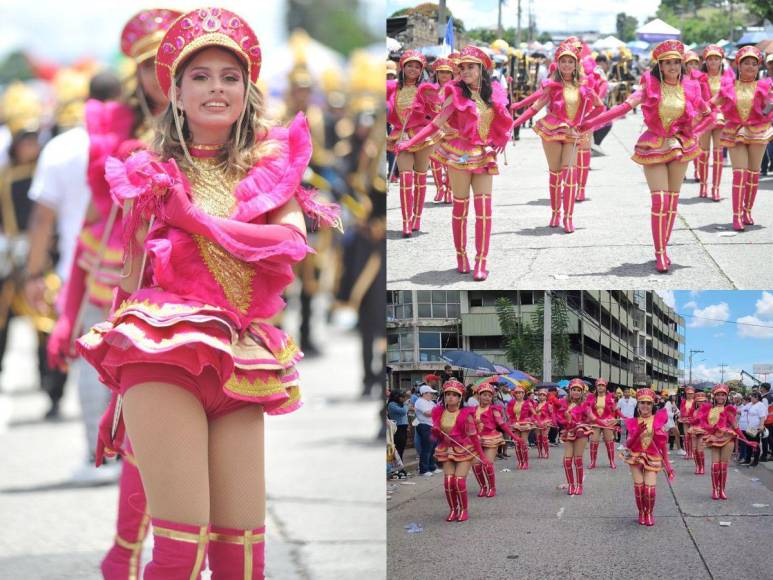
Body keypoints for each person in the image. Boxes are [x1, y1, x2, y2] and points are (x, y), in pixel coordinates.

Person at [76, 8, 340, 577]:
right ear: (174, 91)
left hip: (240, 357)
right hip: (161, 355)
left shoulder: (271, 165)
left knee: (244, 559)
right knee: (179, 553)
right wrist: (116, 392)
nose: (216, 87)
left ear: (247, 90)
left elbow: (287, 243)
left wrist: (192, 220)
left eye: (229, 75)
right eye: (200, 76)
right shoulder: (148, 168)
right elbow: (132, 275)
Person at [582, 39, 715, 272]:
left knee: (672, 201)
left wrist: (693, 132)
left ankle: (665, 246)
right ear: (660, 66)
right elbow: (623, 107)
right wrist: (590, 123)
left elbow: (708, 114)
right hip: (653, 144)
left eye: (676, 62)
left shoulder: (691, 87)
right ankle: (660, 252)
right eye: (667, 63)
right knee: (659, 199)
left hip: (680, 146)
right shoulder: (649, 87)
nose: (673, 67)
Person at [395, 45, 513, 281]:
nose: (466, 71)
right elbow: (436, 123)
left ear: (481, 69)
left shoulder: (493, 94)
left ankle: (481, 261)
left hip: (483, 155)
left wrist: (504, 137)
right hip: (459, 154)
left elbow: (503, 120)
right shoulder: (455, 94)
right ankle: (462, 257)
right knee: (460, 209)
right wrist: (409, 143)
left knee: (484, 212)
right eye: (463, 67)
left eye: (471, 67)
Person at [511, 41, 603, 232]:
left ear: (576, 64)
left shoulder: (585, 86)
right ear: (558, 64)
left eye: (571, 61)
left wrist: (586, 122)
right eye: (563, 62)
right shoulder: (551, 86)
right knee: (555, 175)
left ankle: (569, 218)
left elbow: (600, 107)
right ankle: (555, 213)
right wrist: (512, 126)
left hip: (573, 133)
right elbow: (534, 108)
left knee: (569, 174)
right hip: (552, 130)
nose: (567, 65)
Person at [712, 46, 773, 230]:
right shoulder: (729, 87)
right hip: (735, 131)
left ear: (759, 67)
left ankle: (747, 211)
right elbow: (711, 104)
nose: (750, 67)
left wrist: (769, 107)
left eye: (754, 64)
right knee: (739, 173)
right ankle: (736, 215)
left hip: (758, 131)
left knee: (753, 174)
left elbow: (769, 106)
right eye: (746, 63)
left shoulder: (765, 86)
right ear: (738, 65)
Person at [386, 50, 440, 236]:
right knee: (406, 178)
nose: (413, 69)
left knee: (420, 177)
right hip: (401, 136)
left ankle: (417, 217)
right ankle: (406, 222)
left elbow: (436, 113)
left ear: (421, 70)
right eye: (410, 65)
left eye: (417, 67)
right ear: (403, 66)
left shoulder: (426, 89)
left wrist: (422, 112)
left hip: (422, 137)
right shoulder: (392, 87)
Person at [431, 379, 490, 522]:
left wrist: (483, 457)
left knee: (459, 481)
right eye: (447, 394)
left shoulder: (465, 414)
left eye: (454, 394)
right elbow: (438, 436)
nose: (450, 397)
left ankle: (464, 510)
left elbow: (474, 436)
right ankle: (453, 509)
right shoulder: (439, 412)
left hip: (464, 450)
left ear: (460, 398)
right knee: (448, 482)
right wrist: (436, 431)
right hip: (446, 450)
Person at [621, 388, 675, 526]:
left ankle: (649, 513)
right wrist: (637, 433)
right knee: (639, 488)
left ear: (653, 405)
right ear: (638, 405)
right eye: (642, 403)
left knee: (649, 489)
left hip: (653, 457)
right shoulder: (632, 422)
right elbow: (628, 445)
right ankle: (642, 513)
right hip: (635, 457)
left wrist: (668, 467)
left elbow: (662, 446)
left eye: (648, 403)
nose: (645, 406)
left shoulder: (658, 420)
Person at [694, 384, 758, 499]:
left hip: (727, 439)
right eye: (718, 395)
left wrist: (746, 440)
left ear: (726, 397)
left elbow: (735, 427)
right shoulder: (709, 410)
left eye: (723, 395)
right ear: (714, 396)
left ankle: (722, 490)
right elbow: (704, 425)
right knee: (715, 466)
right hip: (714, 439)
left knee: (723, 466)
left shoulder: (728, 410)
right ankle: (715, 490)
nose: (720, 397)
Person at [694, 45, 734, 200]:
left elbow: (731, 98)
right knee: (703, 153)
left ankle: (715, 189)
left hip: (721, 118)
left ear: (721, 60)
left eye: (716, 59)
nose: (713, 61)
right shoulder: (699, 76)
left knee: (718, 155)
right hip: (704, 118)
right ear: (705, 60)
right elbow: (695, 96)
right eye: (710, 59)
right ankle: (703, 186)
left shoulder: (728, 76)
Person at [471, 381, 517, 497]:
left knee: (487, 464)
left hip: (491, 439)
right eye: (484, 394)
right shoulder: (472, 410)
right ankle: (483, 487)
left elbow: (502, 424)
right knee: (476, 465)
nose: (487, 397)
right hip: (476, 440)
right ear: (479, 395)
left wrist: (514, 436)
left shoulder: (494, 410)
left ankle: (492, 487)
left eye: (489, 395)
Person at [555, 379, 593, 495]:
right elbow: (558, 418)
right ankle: (571, 485)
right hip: (568, 432)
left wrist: (583, 422)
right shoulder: (563, 403)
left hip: (580, 432)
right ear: (569, 390)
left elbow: (592, 418)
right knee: (567, 461)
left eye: (578, 390)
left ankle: (579, 485)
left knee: (578, 459)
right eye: (573, 390)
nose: (576, 392)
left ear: (582, 392)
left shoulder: (584, 404)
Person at [428, 57, 455, 204]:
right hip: (435, 129)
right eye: (441, 72)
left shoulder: (457, 91)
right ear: (436, 74)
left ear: (452, 74)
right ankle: (440, 188)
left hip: (452, 130)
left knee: (450, 161)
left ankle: (449, 190)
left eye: (447, 72)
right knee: (434, 159)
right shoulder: (430, 91)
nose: (444, 75)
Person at [586, 378, 618, 469]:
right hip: (595, 421)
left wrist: (615, 418)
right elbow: (587, 409)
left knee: (609, 441)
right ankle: (593, 462)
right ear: (596, 386)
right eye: (599, 385)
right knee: (594, 441)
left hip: (607, 421)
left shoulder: (611, 396)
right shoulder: (591, 397)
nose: (600, 387)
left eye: (602, 385)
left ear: (605, 387)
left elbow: (614, 409)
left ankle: (612, 461)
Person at [506, 384, 535, 469]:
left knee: (523, 443)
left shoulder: (528, 403)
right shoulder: (511, 403)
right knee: (517, 444)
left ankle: (525, 462)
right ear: (514, 394)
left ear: (524, 394)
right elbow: (509, 414)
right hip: (515, 424)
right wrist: (512, 422)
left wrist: (529, 421)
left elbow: (534, 414)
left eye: (521, 393)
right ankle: (520, 462)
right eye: (517, 393)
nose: (519, 394)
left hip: (525, 424)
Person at [414, 384, 439, 476]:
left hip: (433, 426)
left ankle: (432, 466)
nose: (432, 395)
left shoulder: (430, 402)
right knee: (427, 448)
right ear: (424, 393)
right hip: (424, 425)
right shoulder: (420, 402)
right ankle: (424, 469)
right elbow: (428, 413)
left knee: (433, 448)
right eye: (430, 393)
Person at [387, 390, 409, 478]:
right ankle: (397, 469)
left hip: (403, 428)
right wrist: (406, 405)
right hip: (397, 429)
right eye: (401, 397)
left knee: (401, 449)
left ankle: (400, 467)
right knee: (398, 449)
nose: (403, 399)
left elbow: (405, 415)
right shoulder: (392, 404)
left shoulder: (401, 405)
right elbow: (403, 412)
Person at [745, 391, 768, 467]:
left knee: (755, 445)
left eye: (752, 396)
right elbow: (743, 409)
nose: (751, 398)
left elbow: (762, 417)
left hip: (756, 428)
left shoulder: (760, 405)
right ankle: (747, 459)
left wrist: (761, 425)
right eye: (751, 396)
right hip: (749, 427)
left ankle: (755, 461)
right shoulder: (750, 404)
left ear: (757, 398)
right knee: (748, 444)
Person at [689, 390, 709, 475]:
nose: (700, 403)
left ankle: (702, 467)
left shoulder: (707, 410)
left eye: (702, 401)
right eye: (698, 401)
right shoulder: (695, 411)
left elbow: (709, 422)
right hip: (694, 431)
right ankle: (697, 466)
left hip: (702, 432)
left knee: (700, 450)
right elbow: (692, 421)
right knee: (694, 450)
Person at [533, 387, 556, 458]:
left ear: (546, 396)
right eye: (540, 395)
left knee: (544, 438)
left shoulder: (549, 405)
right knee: (538, 438)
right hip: (537, 422)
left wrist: (554, 423)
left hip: (546, 422)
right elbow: (532, 414)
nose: (541, 397)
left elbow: (552, 414)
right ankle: (540, 453)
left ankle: (546, 452)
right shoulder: (535, 405)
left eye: (543, 395)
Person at [760, 383, 773, 461]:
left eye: (761, 387)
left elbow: (764, 412)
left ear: (764, 388)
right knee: (770, 438)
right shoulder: (771, 396)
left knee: (765, 439)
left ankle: (764, 456)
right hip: (771, 420)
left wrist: (761, 422)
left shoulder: (765, 398)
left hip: (766, 421)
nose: (760, 389)